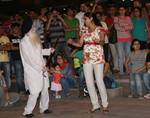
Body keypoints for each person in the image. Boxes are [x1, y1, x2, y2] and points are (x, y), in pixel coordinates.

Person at [68, 12, 109, 113]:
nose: (83, 21)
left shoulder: (100, 29)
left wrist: (97, 41)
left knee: (99, 80)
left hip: (98, 56)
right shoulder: (84, 29)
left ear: (90, 18)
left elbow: (103, 42)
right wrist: (71, 42)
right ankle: (95, 105)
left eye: (85, 19)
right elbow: (80, 44)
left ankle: (105, 104)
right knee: (89, 82)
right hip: (86, 57)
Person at [20, 17, 55, 118]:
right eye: (32, 27)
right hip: (33, 71)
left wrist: (49, 51)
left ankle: (44, 108)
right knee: (35, 92)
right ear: (28, 29)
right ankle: (27, 111)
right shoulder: (24, 42)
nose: (35, 29)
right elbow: (29, 60)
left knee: (45, 89)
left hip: (42, 68)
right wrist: (41, 68)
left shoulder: (34, 39)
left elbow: (39, 52)